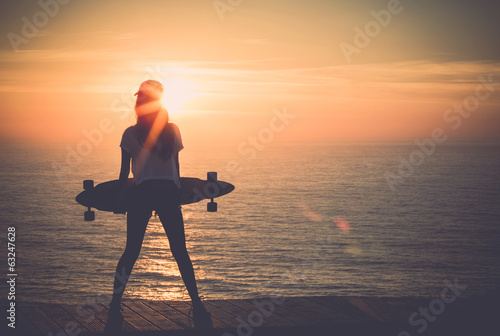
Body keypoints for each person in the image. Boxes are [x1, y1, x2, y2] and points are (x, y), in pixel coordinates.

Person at [104, 80, 212, 333]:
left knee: (131, 252)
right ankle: (197, 306)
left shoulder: (130, 134)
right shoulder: (173, 130)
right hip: (168, 195)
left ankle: (114, 307)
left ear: (140, 103)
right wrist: (177, 192)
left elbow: (124, 174)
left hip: (141, 194)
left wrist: (121, 198)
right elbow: (175, 168)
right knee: (180, 252)